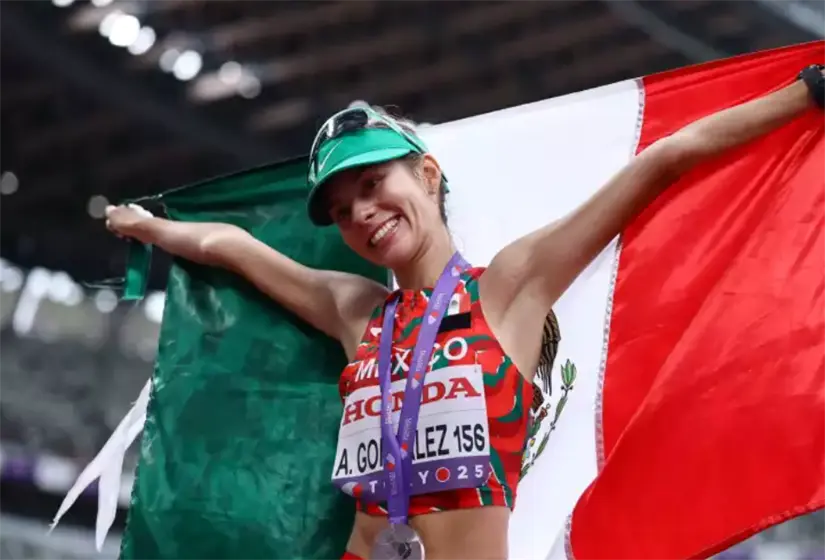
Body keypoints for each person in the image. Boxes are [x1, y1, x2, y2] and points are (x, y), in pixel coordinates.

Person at [105, 65, 825, 560]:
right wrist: (150, 228)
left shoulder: (510, 287)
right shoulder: (356, 310)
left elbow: (663, 161)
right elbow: (233, 249)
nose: (361, 212)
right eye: (341, 208)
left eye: (372, 182)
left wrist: (807, 94)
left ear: (424, 173)